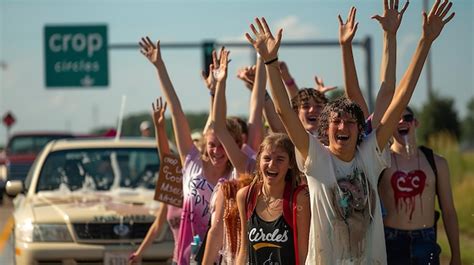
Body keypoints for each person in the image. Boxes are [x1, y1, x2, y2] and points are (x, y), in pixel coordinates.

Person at [244, 0, 454, 262]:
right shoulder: (316, 158)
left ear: (359, 129)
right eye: (336, 121)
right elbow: (284, 110)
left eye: (350, 122)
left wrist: (425, 41)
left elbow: (398, 97)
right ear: (325, 128)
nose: (343, 126)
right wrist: (270, 61)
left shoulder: (369, 155)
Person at [139, 36, 242, 264]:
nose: (217, 151)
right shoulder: (192, 161)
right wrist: (159, 65)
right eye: (212, 144)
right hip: (183, 259)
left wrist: (221, 86)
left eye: (223, 145)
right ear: (205, 144)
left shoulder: (234, 176)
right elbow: (176, 110)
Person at [378, 107, 461, 265]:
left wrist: (456, 254)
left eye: (407, 118)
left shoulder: (437, 163)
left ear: (415, 123)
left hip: (426, 241)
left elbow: (449, 211)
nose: (402, 121)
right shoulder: (381, 162)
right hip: (391, 241)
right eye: (396, 118)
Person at [236, 134, 310, 264]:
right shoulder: (245, 196)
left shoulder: (299, 199)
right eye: (267, 158)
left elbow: (304, 254)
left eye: (280, 159)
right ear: (259, 161)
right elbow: (244, 250)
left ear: (291, 163)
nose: (272, 164)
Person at [129, 97, 182, 265]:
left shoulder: (204, 183)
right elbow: (156, 227)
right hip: (178, 260)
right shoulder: (173, 186)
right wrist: (139, 253)